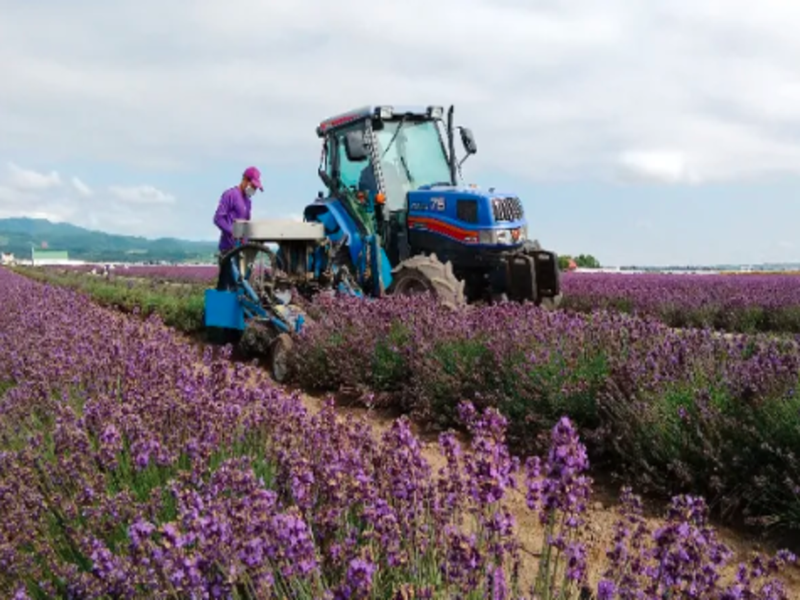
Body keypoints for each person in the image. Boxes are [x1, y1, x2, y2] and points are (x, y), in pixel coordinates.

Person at [213, 166, 263, 290]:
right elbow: (218, 218)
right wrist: (232, 231)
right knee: (226, 288)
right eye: (253, 186)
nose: (254, 190)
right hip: (229, 250)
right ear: (245, 180)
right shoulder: (230, 195)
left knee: (239, 288)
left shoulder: (248, 202)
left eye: (256, 188)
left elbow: (245, 224)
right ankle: (219, 308)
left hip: (241, 251)